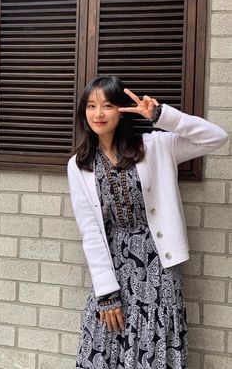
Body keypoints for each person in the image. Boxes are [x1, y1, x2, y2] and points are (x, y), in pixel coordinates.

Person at [68, 75, 228, 369]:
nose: (98, 114)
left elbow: (216, 136)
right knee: (106, 337)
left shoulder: (155, 146)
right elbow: (90, 229)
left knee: (153, 342)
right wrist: (106, 291)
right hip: (113, 264)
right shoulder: (80, 163)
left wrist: (160, 115)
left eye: (107, 105)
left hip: (158, 263)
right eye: (91, 106)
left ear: (122, 110)